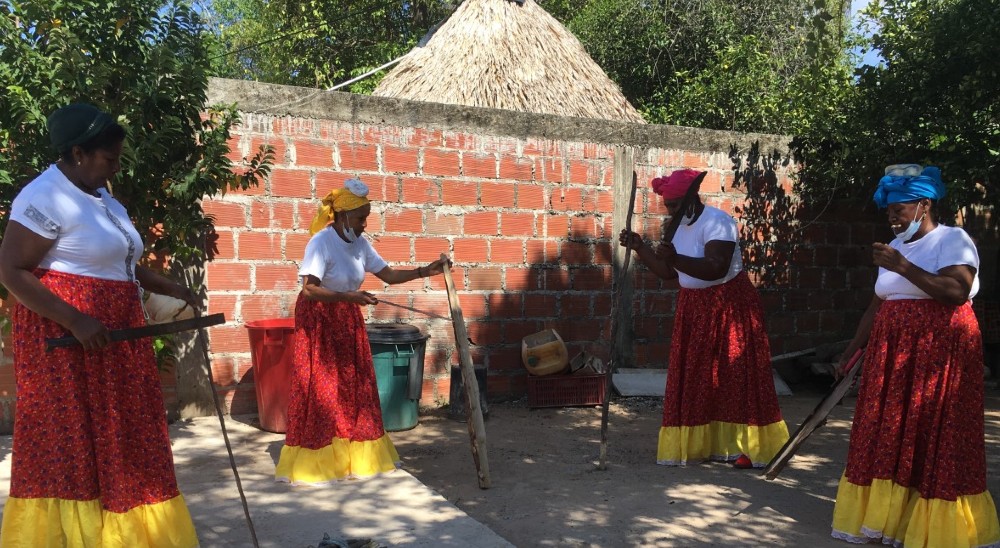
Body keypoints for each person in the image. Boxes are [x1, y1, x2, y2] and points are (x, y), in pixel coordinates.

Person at [0, 104, 199, 546]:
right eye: (108, 159)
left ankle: (128, 533)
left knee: (125, 436)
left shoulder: (101, 197)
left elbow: (121, 263)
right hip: (69, 343)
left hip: (115, 339)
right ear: (76, 152)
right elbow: (10, 270)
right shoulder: (42, 196)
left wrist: (170, 286)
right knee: (74, 443)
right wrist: (74, 319)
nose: (114, 167)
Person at [830, 164, 1000, 546]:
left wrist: (903, 267)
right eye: (888, 210)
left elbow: (957, 291)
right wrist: (850, 352)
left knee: (936, 435)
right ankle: (892, 519)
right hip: (894, 356)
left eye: (900, 208)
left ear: (924, 205)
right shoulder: (896, 248)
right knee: (890, 432)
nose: (892, 217)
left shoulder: (952, 239)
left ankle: (936, 526)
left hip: (939, 355)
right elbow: (877, 307)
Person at [275, 177, 450, 485]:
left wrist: (426, 271)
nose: (364, 225)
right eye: (360, 219)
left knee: (354, 386)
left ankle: (352, 458)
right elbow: (310, 290)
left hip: (346, 319)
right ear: (342, 216)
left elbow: (390, 275)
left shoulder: (360, 245)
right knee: (323, 386)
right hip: (319, 320)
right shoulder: (321, 243)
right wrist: (348, 297)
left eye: (366, 218)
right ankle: (319, 460)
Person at [618, 169, 789, 469]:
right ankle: (706, 445)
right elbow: (669, 272)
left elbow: (715, 268)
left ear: (691, 197)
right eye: (668, 206)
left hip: (729, 307)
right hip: (695, 309)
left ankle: (749, 447)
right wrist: (640, 247)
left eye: (675, 205)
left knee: (736, 377)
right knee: (699, 379)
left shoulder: (717, 222)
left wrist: (675, 259)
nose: (671, 210)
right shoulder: (677, 227)